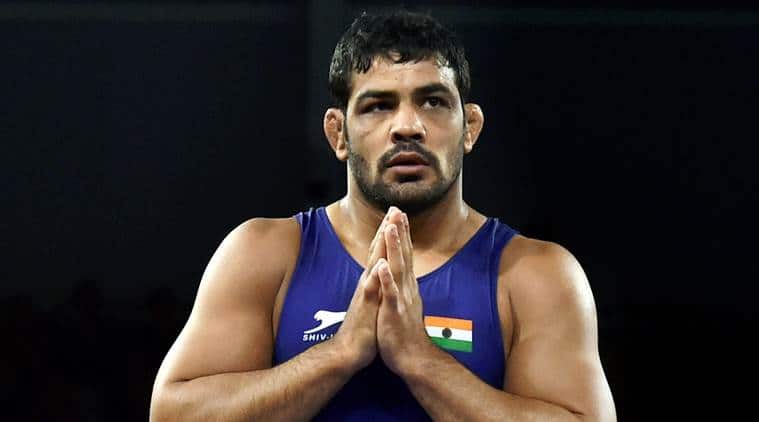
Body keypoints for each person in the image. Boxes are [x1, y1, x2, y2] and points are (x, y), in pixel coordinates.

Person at [150, 10, 616, 421]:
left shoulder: (536, 275)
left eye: (433, 101)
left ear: (469, 127)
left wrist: (420, 360)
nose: (408, 126)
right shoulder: (265, 254)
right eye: (378, 106)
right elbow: (173, 414)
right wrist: (341, 353)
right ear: (338, 133)